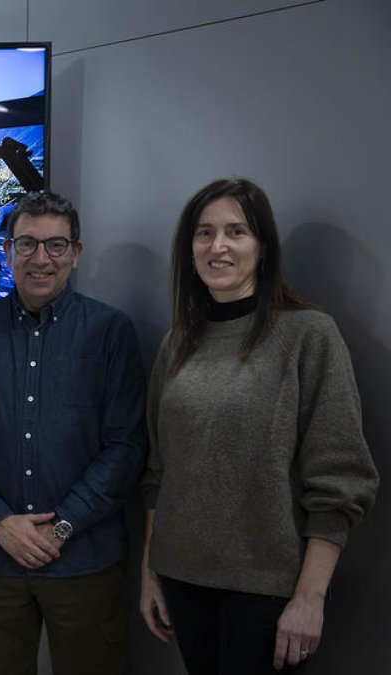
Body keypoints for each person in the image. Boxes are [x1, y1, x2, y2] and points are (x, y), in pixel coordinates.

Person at [138, 178, 379, 674]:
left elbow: (341, 480)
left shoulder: (309, 335)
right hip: (181, 577)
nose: (217, 246)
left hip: (267, 589)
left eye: (236, 232)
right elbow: (159, 471)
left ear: (263, 248)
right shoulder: (177, 342)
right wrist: (150, 569)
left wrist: (311, 597)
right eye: (204, 234)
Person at [0, 191, 148, 675]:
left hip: (85, 562)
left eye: (55, 245)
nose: (40, 259)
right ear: (6, 251)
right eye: (27, 244)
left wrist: (63, 525)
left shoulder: (111, 333)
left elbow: (126, 447)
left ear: (76, 253)